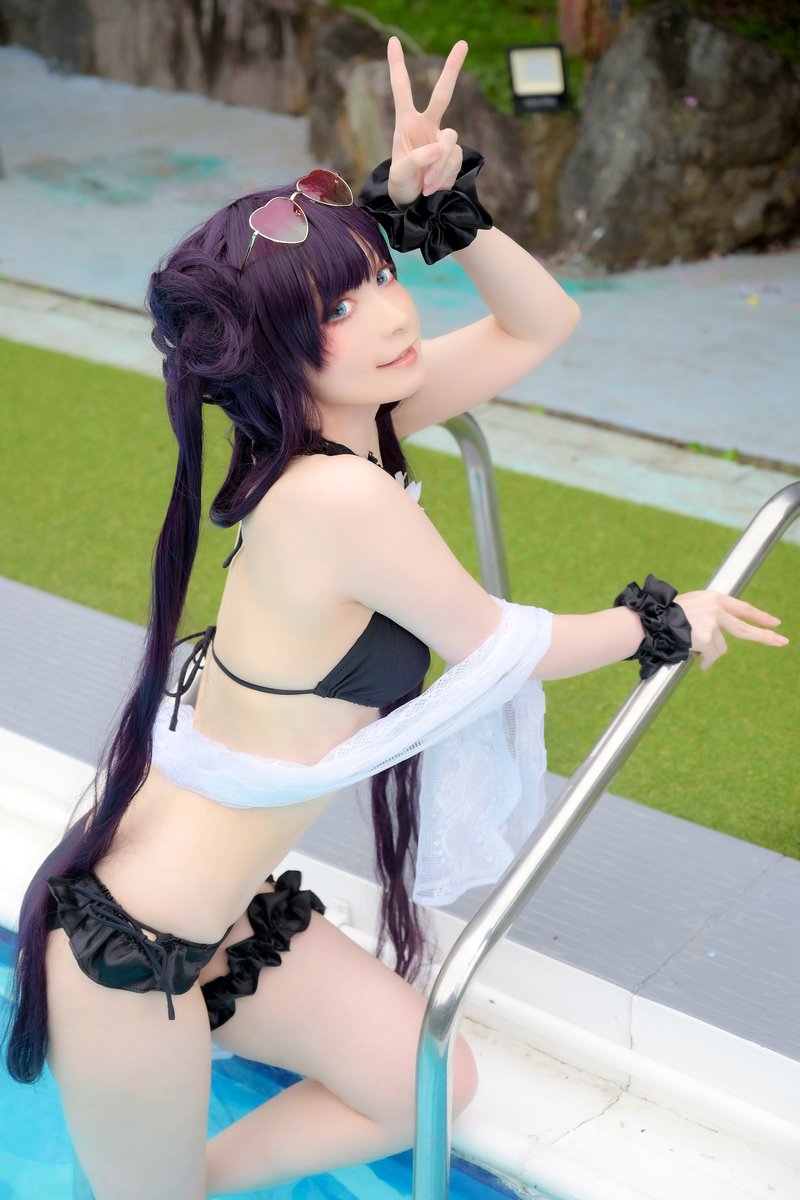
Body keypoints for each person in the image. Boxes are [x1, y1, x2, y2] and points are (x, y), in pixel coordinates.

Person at [3, 36, 788, 1200]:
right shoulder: (333, 495)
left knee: (422, 1082)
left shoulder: (350, 430)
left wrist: (445, 215)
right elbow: (500, 646)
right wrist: (662, 620)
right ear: (273, 353)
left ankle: (197, 1182)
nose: (385, 315)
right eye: (338, 303)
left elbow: (540, 324)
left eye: (378, 274)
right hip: (132, 952)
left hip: (224, 911)